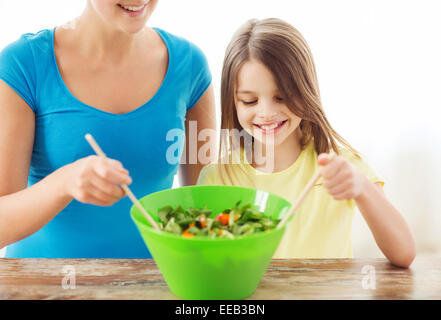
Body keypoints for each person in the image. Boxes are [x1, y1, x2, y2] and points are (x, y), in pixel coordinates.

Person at [0, 0, 216, 258]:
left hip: (156, 286)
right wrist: (64, 183)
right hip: (42, 290)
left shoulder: (190, 66)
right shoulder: (24, 64)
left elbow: (204, 210)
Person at [197, 18, 416, 268]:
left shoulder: (341, 167)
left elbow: (404, 253)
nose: (266, 112)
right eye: (249, 101)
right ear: (232, 102)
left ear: (306, 90)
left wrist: (362, 188)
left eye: (282, 97)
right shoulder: (218, 178)